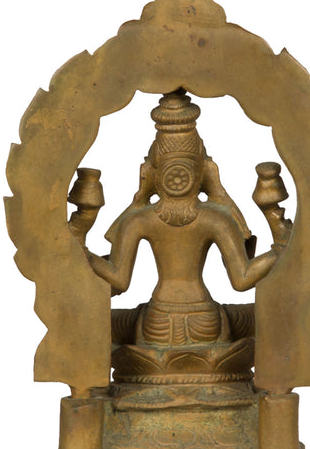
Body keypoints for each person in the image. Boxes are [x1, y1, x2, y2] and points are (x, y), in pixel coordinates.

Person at [86, 89, 281, 347]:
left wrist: (84, 254)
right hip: (206, 323)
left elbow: (118, 281)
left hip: (155, 324)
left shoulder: (139, 220)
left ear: (150, 172)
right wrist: (278, 250)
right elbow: (242, 279)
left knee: (94, 322)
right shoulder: (216, 218)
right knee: (269, 316)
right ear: (205, 170)